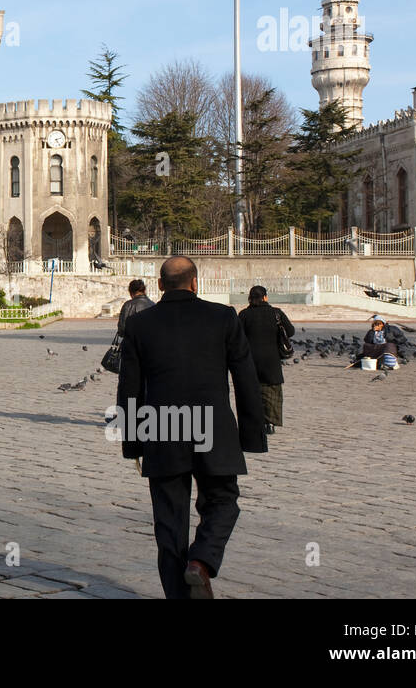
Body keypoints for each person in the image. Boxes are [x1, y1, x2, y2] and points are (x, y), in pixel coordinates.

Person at [117, 255, 266, 599]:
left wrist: (133, 442)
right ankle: (201, 561)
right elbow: (245, 377)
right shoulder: (223, 317)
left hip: (161, 427)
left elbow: (129, 388)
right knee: (223, 501)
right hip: (212, 427)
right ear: (196, 283)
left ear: (159, 285)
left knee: (169, 523)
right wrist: (251, 434)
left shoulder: (141, 325)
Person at [238, 286, 296, 435]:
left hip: (250, 360)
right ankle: (270, 423)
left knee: (252, 392)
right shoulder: (276, 313)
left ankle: (254, 423)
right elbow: (290, 331)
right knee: (272, 391)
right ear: (265, 297)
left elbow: (237, 337)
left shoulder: (244, 315)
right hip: (271, 360)